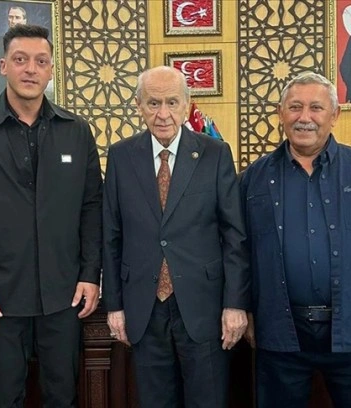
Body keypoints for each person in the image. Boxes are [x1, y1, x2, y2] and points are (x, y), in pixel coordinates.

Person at [0, 24, 102, 408]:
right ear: (3, 67)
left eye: (41, 61)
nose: (31, 69)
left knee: (63, 397)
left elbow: (92, 207)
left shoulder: (76, 132)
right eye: (20, 59)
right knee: (5, 398)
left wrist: (89, 274)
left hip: (64, 295)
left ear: (51, 70)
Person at [240, 72, 351, 407]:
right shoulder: (253, 177)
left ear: (334, 115)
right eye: (295, 107)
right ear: (280, 113)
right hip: (280, 331)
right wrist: (243, 308)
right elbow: (240, 249)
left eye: (316, 108)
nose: (304, 117)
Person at [102, 66, 250, 407]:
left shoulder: (215, 153)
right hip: (144, 306)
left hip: (204, 306)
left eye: (172, 102)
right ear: (138, 105)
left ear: (186, 104)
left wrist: (235, 303)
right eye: (153, 103)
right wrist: (115, 305)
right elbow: (111, 234)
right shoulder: (121, 156)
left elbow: (234, 236)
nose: (163, 114)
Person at [0, 6, 28, 101]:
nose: (13, 21)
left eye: (17, 17)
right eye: (11, 17)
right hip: (2, 93)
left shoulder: (32, 43)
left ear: (24, 21)